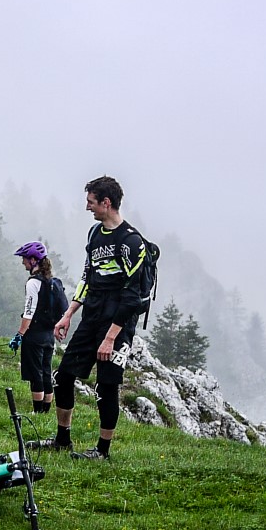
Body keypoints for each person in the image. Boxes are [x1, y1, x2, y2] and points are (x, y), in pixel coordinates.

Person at [49, 177, 153, 459]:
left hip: (117, 320)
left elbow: (132, 296)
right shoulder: (95, 234)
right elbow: (88, 276)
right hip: (92, 313)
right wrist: (68, 314)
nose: (87, 208)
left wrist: (110, 339)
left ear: (106, 203)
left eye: (91, 202)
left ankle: (103, 451)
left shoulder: (131, 241)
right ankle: (62, 440)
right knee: (64, 375)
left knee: (107, 385)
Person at [8, 242, 65, 415]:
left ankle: (37, 411)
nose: (23, 263)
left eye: (24, 259)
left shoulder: (33, 283)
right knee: (46, 372)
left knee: (35, 374)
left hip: (34, 335)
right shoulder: (52, 282)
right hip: (49, 335)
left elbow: (28, 312)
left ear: (33, 260)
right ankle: (46, 411)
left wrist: (19, 335)